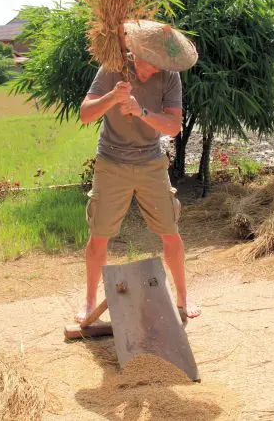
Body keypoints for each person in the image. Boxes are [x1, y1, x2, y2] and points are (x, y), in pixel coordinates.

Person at [75, 20, 200, 322]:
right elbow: (84, 114)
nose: (153, 69)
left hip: (150, 163)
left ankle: (183, 298)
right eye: (150, 63)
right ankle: (90, 301)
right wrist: (112, 98)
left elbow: (172, 126)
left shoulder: (169, 78)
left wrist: (140, 111)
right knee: (99, 236)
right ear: (137, 52)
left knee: (170, 232)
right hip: (111, 162)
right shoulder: (113, 68)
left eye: (160, 64)